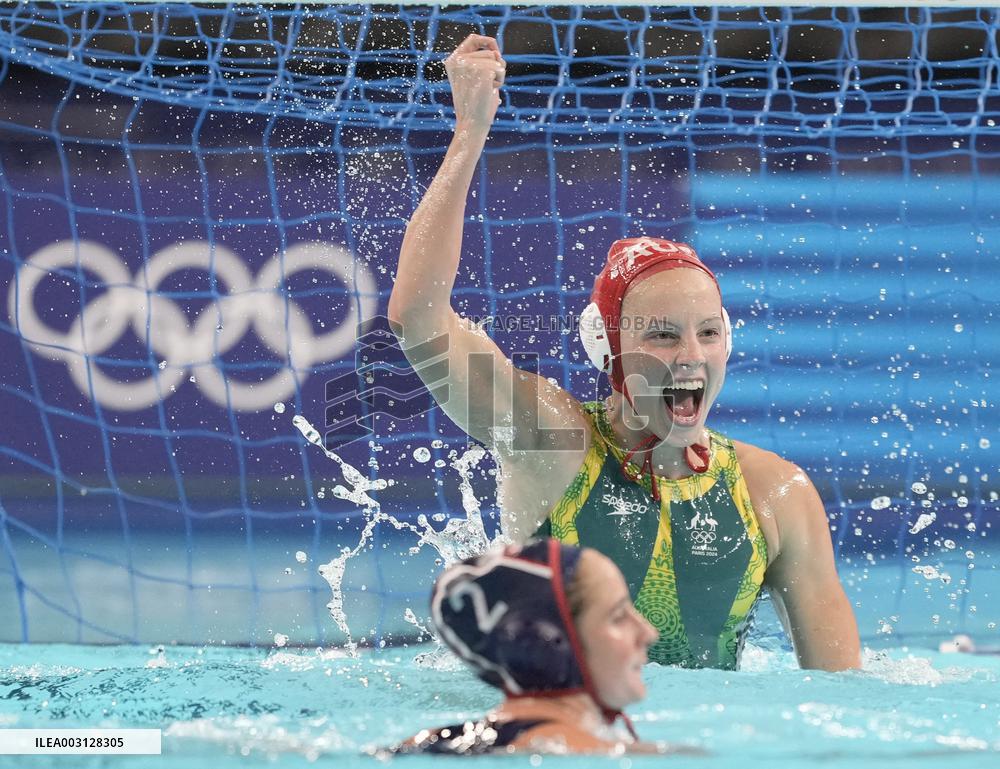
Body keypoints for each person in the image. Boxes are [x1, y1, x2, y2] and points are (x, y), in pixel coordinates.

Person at [388, 34, 861, 672]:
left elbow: (840, 693)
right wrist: (470, 131)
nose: (690, 355)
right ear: (607, 350)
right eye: (661, 335)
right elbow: (417, 320)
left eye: (708, 333)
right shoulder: (550, 441)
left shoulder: (775, 494)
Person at [394, 539, 698, 755]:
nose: (649, 632)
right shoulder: (593, 754)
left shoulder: (429, 741)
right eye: (618, 617)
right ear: (551, 644)